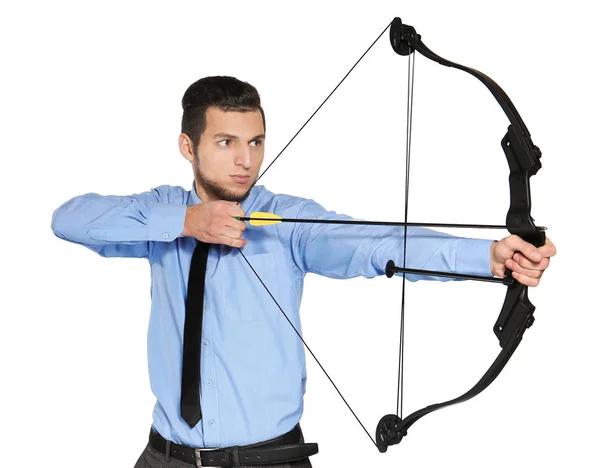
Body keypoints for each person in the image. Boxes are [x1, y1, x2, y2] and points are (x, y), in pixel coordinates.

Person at [50, 76, 556, 467]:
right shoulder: (161, 215)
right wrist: (185, 221)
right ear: (189, 147)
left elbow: (373, 243)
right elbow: (70, 219)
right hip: (167, 457)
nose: (245, 160)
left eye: (255, 142)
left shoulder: (285, 221)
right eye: (226, 142)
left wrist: (489, 257)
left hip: (271, 459)